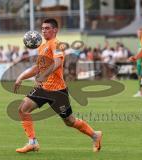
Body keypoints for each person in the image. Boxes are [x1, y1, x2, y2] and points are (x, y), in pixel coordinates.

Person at [13, 18, 102, 153]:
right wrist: (21, 77)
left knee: (69, 121)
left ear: (55, 30)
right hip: (43, 89)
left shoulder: (57, 44)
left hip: (57, 91)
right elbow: (37, 67)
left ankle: (95, 135)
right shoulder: (42, 46)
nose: (44, 31)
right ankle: (32, 142)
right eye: (42, 28)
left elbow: (57, 63)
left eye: (47, 28)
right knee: (22, 110)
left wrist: (43, 76)